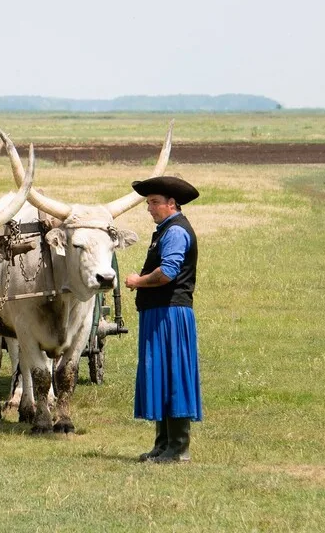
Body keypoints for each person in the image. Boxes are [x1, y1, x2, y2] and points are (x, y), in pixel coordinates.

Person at [124, 176, 202, 463]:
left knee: (173, 375)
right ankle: (163, 445)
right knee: (161, 373)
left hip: (170, 314)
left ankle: (178, 449)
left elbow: (168, 272)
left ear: (172, 204)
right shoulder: (165, 229)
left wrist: (138, 281)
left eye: (155, 202)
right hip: (160, 313)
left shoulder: (176, 232)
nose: (149, 208)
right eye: (148, 203)